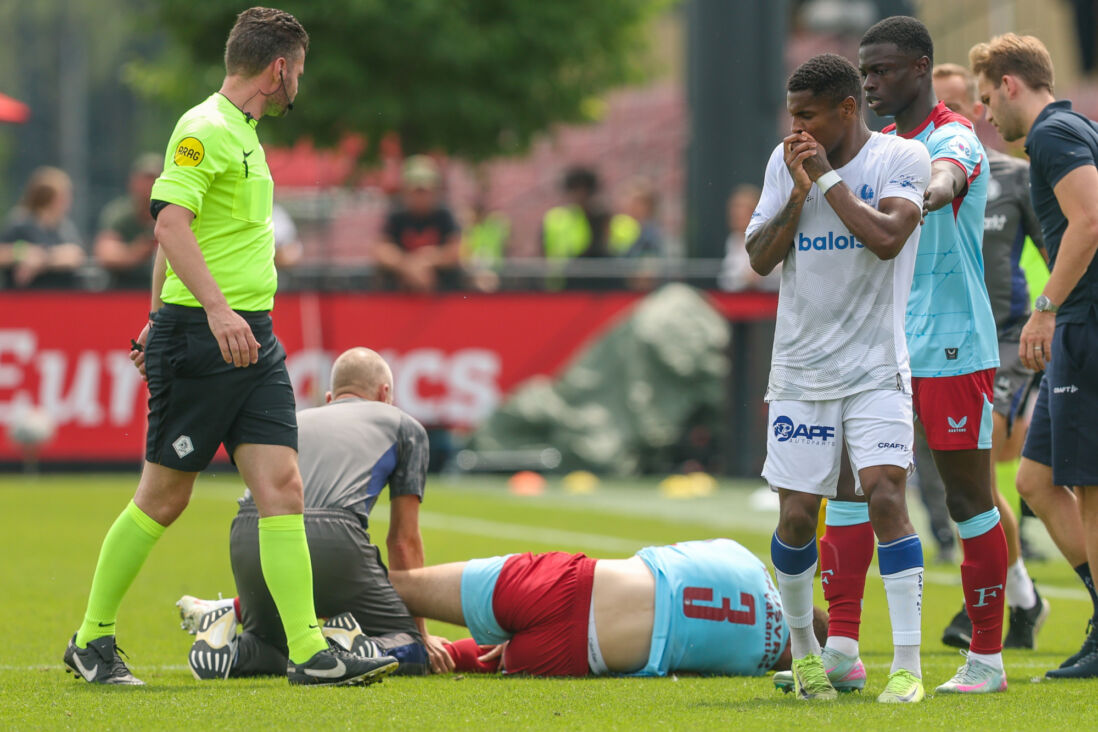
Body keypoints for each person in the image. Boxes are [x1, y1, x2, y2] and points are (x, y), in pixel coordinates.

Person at [62, 7, 396, 688]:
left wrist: (160, 314)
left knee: (283, 488)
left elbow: (188, 231)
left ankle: (308, 651)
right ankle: (91, 640)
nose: (299, 82)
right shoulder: (203, 127)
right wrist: (195, 315)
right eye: (298, 70)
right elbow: (170, 224)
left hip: (254, 337)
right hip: (209, 337)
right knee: (163, 497)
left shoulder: (243, 134)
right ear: (279, 68)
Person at [820, 16, 1008, 696]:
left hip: (952, 343)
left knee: (967, 499)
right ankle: (842, 649)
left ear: (922, 68)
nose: (871, 83)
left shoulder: (954, 138)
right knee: (850, 486)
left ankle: (986, 660)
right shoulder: (876, 147)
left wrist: (919, 199)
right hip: (878, 346)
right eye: (865, 72)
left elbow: (943, 180)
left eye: (885, 70)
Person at [746, 53, 930, 703]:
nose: (793, 128)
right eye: (790, 114)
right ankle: (806, 657)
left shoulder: (901, 159)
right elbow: (759, 258)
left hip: (878, 364)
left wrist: (825, 182)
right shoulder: (785, 163)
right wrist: (798, 191)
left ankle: (907, 666)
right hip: (801, 370)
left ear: (846, 110)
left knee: (884, 496)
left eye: (807, 115)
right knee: (797, 518)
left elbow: (887, 238)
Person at [176, 348, 451, 678]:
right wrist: (420, 632)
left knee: (275, 648)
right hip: (330, 538)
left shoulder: (294, 419)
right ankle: (348, 645)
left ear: (330, 397)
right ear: (385, 394)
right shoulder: (405, 426)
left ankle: (227, 643)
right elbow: (403, 540)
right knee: (412, 649)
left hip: (250, 533)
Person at [972, 32, 1098, 679]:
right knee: (1036, 482)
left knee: (1089, 487)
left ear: (1012, 84)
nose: (988, 115)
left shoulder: (1052, 134)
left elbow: (1090, 219)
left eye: (989, 98)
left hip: (1083, 322)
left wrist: (1046, 306)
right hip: (1077, 321)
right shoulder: (1071, 127)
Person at [930, 62, 1051, 651]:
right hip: (933, 340)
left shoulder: (1014, 176)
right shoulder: (909, 169)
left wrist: (1054, 317)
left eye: (961, 101)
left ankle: (1006, 599)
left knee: (980, 467)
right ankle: (1024, 595)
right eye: (941, 103)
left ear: (979, 108)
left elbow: (1060, 248)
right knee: (964, 477)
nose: (951, 113)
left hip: (1000, 338)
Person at [388, 538, 819, 678]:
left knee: (400, 586)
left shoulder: (744, 558)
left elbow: (664, 555)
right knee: (467, 660)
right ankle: (390, 653)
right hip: (580, 652)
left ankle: (324, 627)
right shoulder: (751, 664)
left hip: (567, 581)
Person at [374, 155, 463, 292]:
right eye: (416, 191)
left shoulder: (444, 215)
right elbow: (381, 249)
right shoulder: (397, 215)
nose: (420, 197)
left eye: (425, 191)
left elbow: (456, 250)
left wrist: (428, 260)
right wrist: (408, 266)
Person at [0, 166, 86, 289]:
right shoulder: (21, 224)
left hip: (60, 296)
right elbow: (4, 251)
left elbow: (75, 255)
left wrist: (43, 259)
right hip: (24, 299)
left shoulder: (64, 228)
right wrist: (22, 252)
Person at [93, 154, 161, 289]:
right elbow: (105, 253)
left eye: (153, 179)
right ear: (133, 182)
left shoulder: (171, 213)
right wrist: (138, 251)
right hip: (126, 288)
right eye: (144, 180)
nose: (149, 186)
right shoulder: (119, 213)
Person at [718, 185, 780, 292]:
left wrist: (758, 276)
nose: (735, 215)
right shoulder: (733, 240)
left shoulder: (771, 236)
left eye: (740, 210)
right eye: (733, 210)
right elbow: (727, 280)